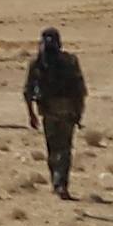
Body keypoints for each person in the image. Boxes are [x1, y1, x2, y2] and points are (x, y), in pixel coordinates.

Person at [24, 28, 87, 200]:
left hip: (48, 110)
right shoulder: (70, 61)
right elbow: (80, 90)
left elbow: (27, 91)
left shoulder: (37, 63)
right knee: (64, 149)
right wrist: (79, 112)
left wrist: (31, 114)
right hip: (67, 110)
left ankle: (57, 182)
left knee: (53, 148)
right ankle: (61, 184)